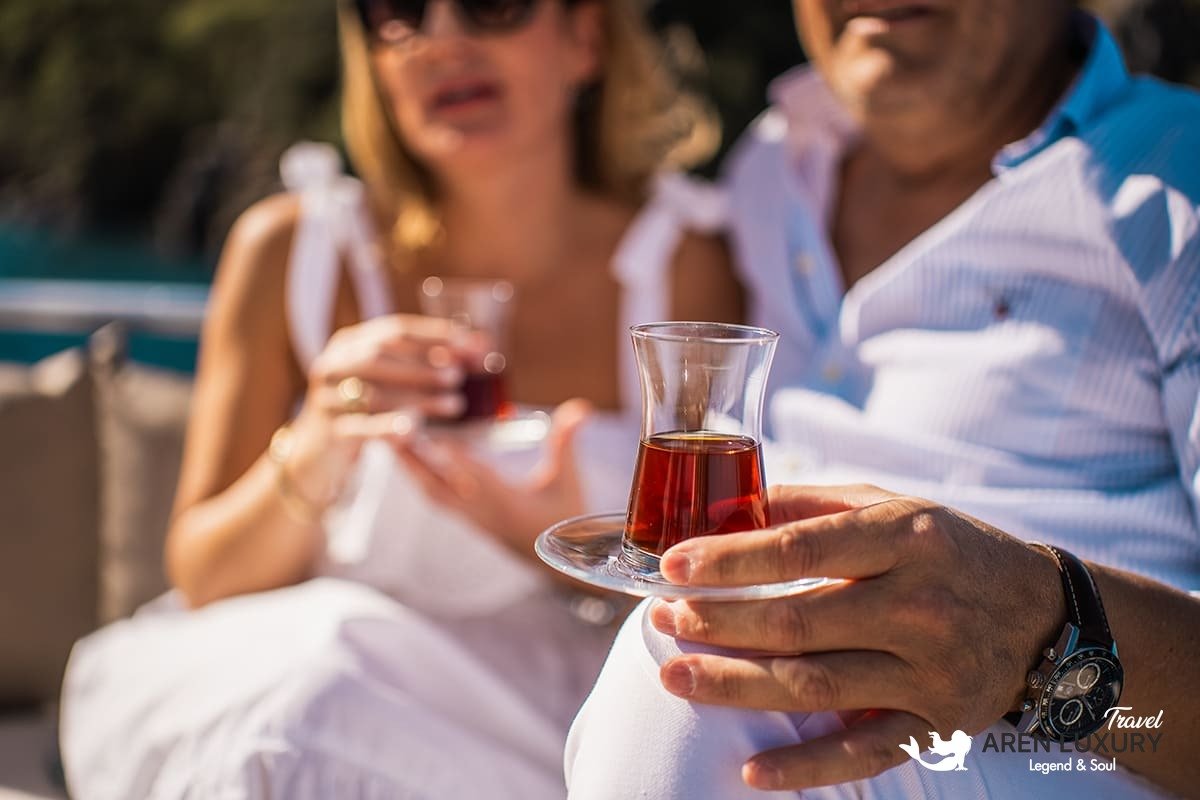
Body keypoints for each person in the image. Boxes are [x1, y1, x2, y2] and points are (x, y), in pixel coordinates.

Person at [59, 0, 741, 797]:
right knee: (305, 707)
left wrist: (552, 550)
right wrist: (321, 435)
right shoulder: (292, 252)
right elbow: (206, 574)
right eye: (399, 10)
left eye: (493, 6)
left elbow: (722, 570)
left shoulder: (683, 265)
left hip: (552, 702)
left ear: (584, 38)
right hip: (295, 657)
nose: (442, 38)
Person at [563, 1, 1200, 798]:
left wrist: (1040, 637)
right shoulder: (772, 164)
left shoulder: (1184, 173)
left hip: (1072, 747)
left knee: (687, 663)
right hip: (787, 721)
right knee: (359, 657)